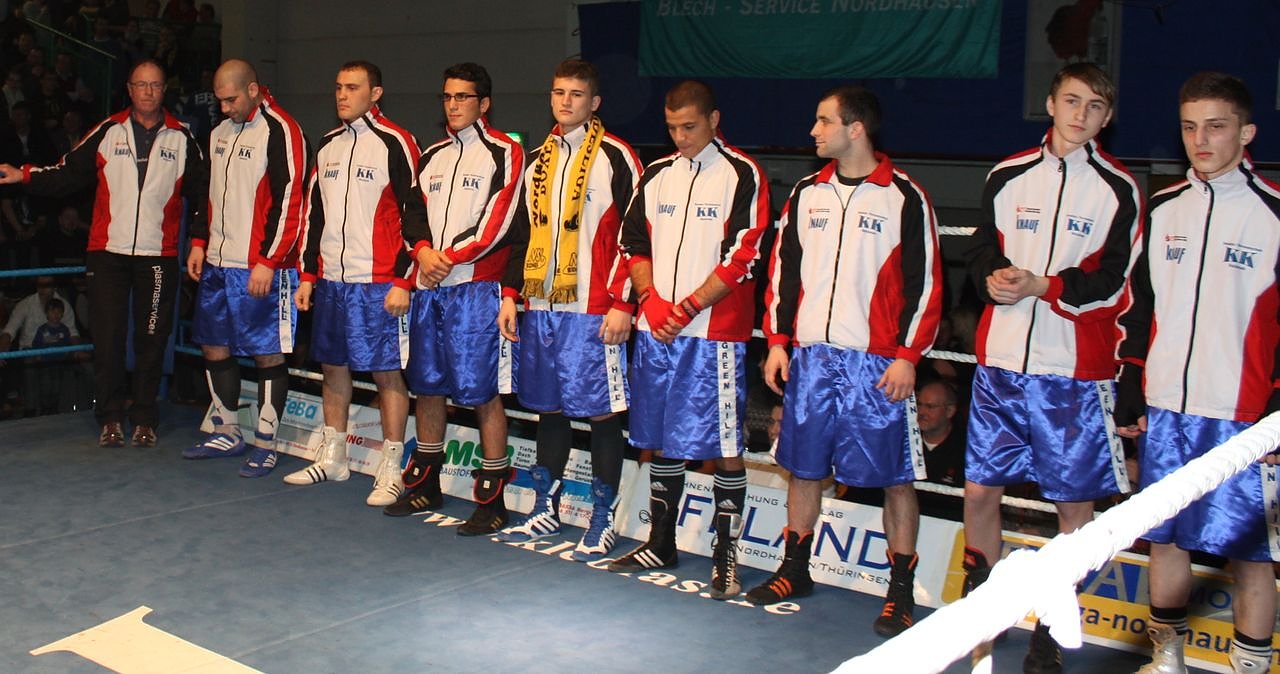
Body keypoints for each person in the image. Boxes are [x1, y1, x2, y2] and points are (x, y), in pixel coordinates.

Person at [963, 62, 1140, 673]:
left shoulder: (1119, 189)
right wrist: (991, 277)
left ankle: (1053, 629)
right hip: (1001, 361)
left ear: (1107, 117)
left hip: (1072, 371)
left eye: (1095, 106)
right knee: (979, 490)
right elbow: (980, 247)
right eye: (1072, 100)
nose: (1080, 114)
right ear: (1050, 102)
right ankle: (981, 613)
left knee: (1073, 509)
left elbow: (1114, 282)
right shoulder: (1008, 173)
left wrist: (1046, 285)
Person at [746, 86, 941, 637]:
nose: (813, 131)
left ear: (855, 128)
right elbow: (783, 271)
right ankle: (794, 569)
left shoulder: (904, 196)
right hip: (811, 356)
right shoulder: (807, 192)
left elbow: (926, 283)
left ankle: (899, 590)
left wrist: (908, 356)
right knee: (802, 467)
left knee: (896, 477)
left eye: (823, 121)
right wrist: (778, 341)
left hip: (876, 363)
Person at [1116, 72, 1280, 674]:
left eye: (1215, 126)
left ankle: (1249, 669)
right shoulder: (1163, 207)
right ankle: (1168, 661)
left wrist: (1277, 410)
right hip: (1166, 408)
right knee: (1165, 539)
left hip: (1244, 413)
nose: (1201, 140)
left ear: (1246, 132)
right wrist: (1132, 384)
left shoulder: (1273, 213)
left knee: (1252, 555)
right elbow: (1140, 305)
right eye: (1189, 127)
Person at [606, 80, 769, 602]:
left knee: (725, 444)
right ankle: (660, 542)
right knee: (659, 434)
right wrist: (649, 298)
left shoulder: (742, 173)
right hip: (658, 327)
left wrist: (690, 305)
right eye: (672, 127)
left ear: (715, 120)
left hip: (713, 333)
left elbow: (744, 253)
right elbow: (632, 241)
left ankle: (726, 556)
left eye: (690, 126)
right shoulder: (657, 174)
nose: (680, 137)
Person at [0, 60, 207, 447]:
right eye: (141, 85)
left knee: (152, 340)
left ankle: (144, 419)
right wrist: (23, 174)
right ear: (129, 89)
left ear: (164, 90)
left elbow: (202, 195)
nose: (148, 91)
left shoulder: (182, 138)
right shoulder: (108, 131)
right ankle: (110, 418)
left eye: (155, 85)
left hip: (158, 255)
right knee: (108, 339)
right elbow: (66, 173)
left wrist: (198, 241)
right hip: (107, 253)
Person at [493, 59, 641, 561]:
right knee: (548, 409)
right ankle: (545, 506)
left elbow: (636, 237)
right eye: (558, 92)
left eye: (576, 94)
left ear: (594, 102)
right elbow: (521, 235)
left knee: (601, 415)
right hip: (541, 305)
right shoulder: (537, 160)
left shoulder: (617, 157)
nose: (565, 101)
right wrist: (511, 294)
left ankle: (602, 518)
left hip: (595, 309)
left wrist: (623, 302)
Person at [387, 62, 523, 535]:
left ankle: (493, 500)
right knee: (428, 386)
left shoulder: (505, 152)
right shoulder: (432, 155)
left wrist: (448, 256)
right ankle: (426, 484)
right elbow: (411, 215)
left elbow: (499, 220)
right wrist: (423, 253)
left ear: (484, 103)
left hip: (476, 289)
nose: (453, 104)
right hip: (430, 287)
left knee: (482, 392)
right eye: (447, 96)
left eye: (463, 97)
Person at [285, 60, 420, 505]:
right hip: (332, 279)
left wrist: (404, 279)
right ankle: (334, 456)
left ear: (375, 93)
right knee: (332, 367)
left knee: (387, 373)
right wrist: (308, 274)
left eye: (353, 87)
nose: (342, 95)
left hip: (379, 279)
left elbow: (415, 215)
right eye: (339, 87)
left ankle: (392, 466)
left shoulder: (397, 142)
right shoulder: (327, 144)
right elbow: (314, 215)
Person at [183, 59, 310, 477]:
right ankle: (227, 431)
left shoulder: (282, 130)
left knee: (266, 351)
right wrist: (199, 241)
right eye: (220, 101)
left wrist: (269, 261)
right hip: (217, 262)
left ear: (253, 90)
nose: (225, 108)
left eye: (231, 99)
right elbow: (206, 193)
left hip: (259, 266)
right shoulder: (219, 132)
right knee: (212, 343)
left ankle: (266, 443)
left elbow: (291, 202)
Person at [918, 380, 965, 487]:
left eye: (930, 407)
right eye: (919, 404)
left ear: (950, 411)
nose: (921, 412)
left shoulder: (967, 450)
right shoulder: (904, 443)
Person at [30, 296, 72, 414]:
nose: (56, 315)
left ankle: (54, 409)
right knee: (45, 387)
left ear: (62, 314)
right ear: (47, 313)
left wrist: (66, 353)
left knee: (57, 387)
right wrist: (38, 355)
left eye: (59, 312)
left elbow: (68, 344)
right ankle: (45, 409)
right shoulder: (42, 330)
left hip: (59, 364)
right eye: (53, 312)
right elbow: (35, 344)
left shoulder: (64, 329)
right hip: (45, 364)